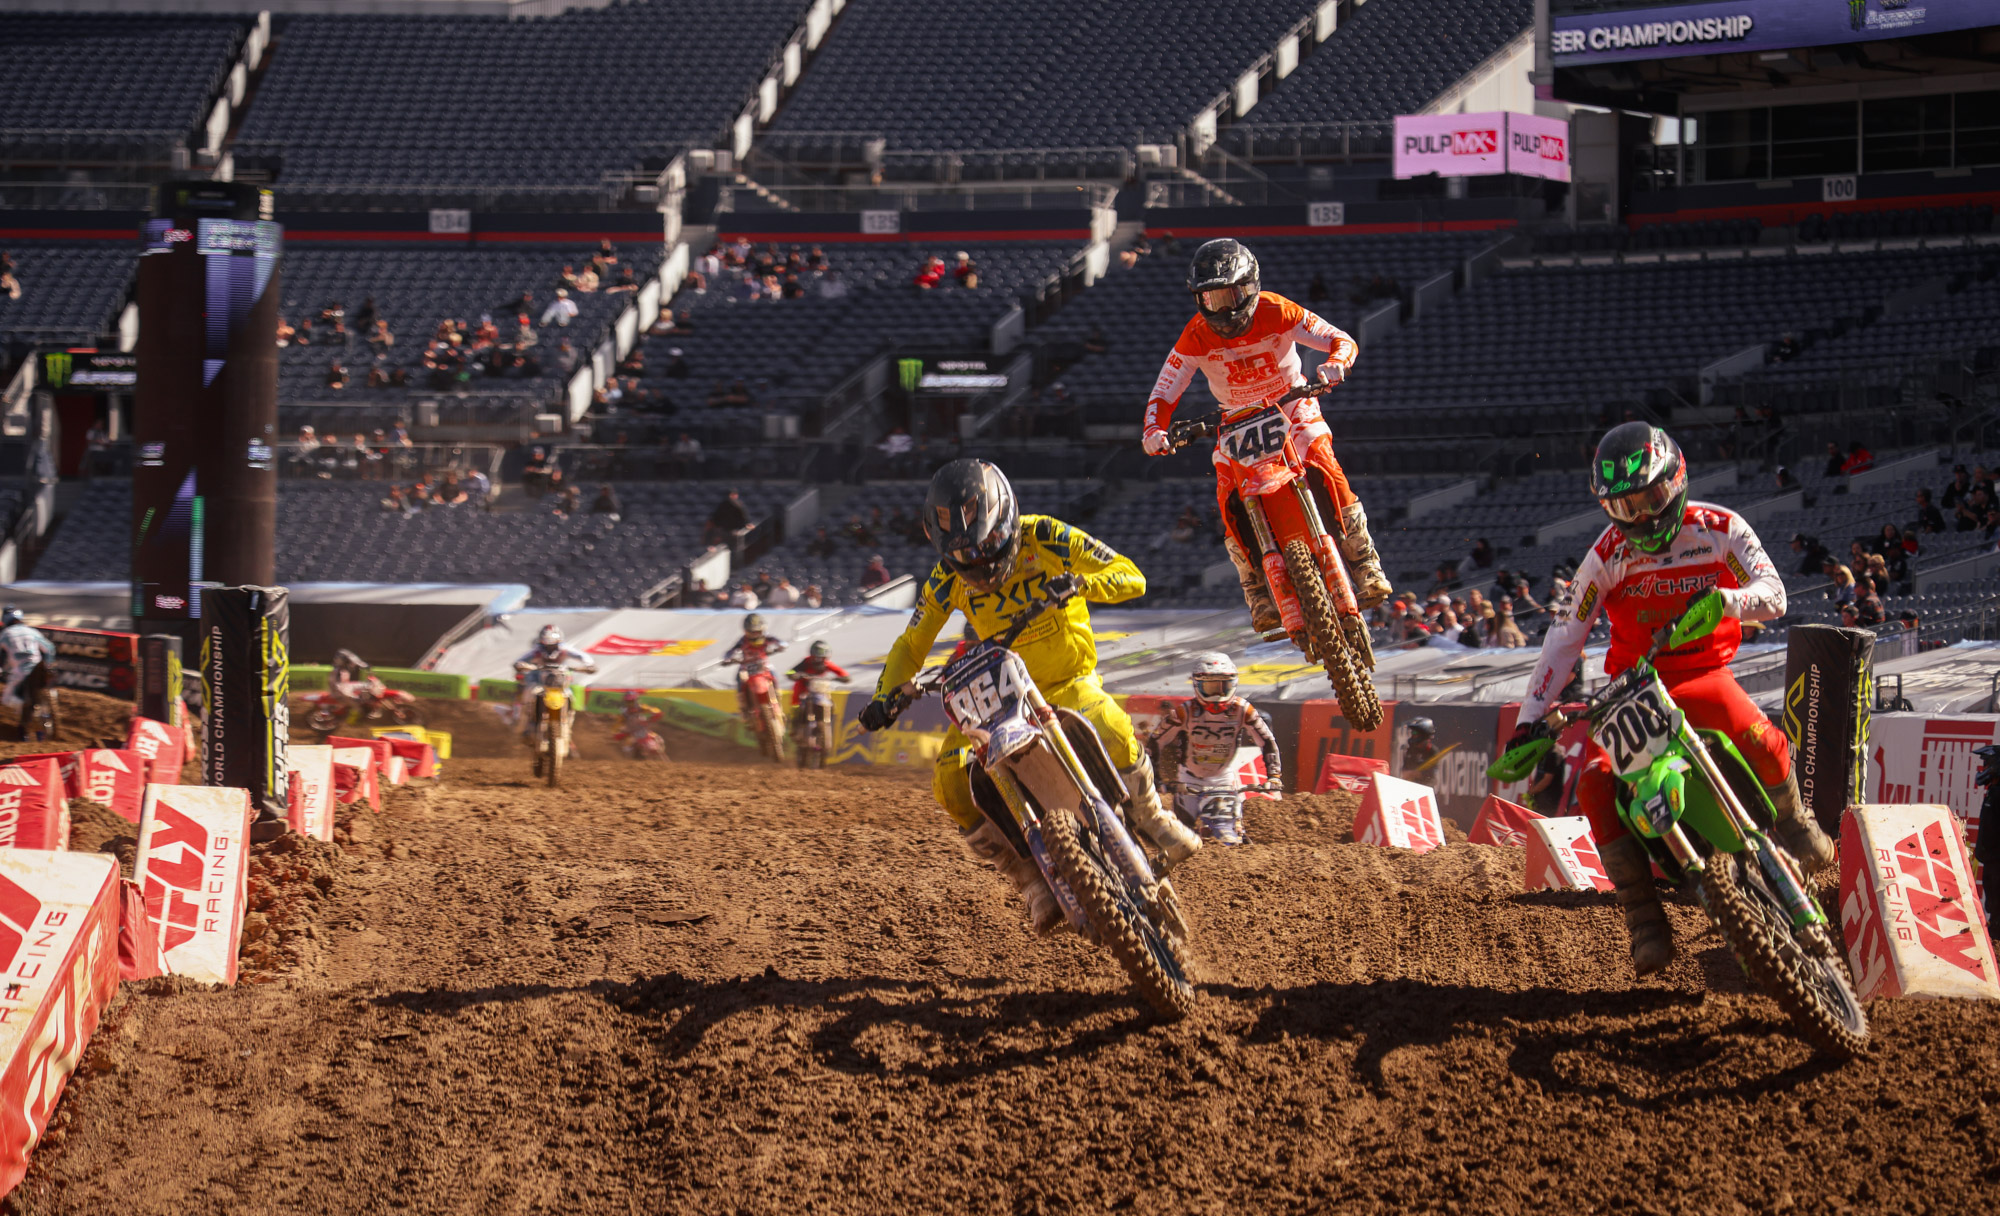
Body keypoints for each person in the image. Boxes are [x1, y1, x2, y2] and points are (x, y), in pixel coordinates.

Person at [1508, 422, 1834, 978]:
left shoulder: (1720, 528)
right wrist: (1529, 723)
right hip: (1633, 690)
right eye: (1625, 506)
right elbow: (1564, 639)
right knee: (1591, 781)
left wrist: (1725, 603)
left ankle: (1794, 821)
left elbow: (1775, 597)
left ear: (1676, 481)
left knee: (1762, 738)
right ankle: (1642, 914)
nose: (1640, 517)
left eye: (1650, 498)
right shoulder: (1606, 554)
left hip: (1703, 673)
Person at [857, 460, 1197, 934]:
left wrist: (1082, 582)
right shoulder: (943, 579)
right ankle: (1029, 879)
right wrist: (884, 697)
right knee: (951, 785)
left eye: (989, 548)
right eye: (965, 560)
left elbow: (1131, 576)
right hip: (997, 695)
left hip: (1068, 680)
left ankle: (1153, 816)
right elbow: (911, 643)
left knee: (1114, 729)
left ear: (1008, 521)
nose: (980, 566)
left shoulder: (1047, 537)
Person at [1141, 239, 1389, 632]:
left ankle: (1363, 561)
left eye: (1230, 295)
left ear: (1251, 287)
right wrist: (1154, 428)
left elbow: (1341, 339)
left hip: (1289, 401)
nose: (1221, 308)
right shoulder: (1196, 335)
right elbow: (1164, 391)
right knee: (1227, 496)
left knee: (1324, 460)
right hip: (1234, 417)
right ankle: (1255, 587)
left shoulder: (1277, 310)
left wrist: (1335, 364)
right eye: (1211, 299)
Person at [1145, 653, 1282, 844]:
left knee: (1226, 835)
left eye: (1222, 686)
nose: (1217, 693)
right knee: (1180, 838)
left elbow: (1267, 740)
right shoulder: (1186, 711)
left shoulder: (1243, 709)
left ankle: (1237, 839)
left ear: (1232, 684)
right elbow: (1155, 742)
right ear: (1197, 685)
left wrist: (1274, 775)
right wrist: (1155, 779)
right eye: (1210, 687)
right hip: (1188, 779)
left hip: (1222, 780)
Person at [512, 625, 598, 742]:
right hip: (541, 682)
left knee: (570, 698)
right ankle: (527, 726)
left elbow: (582, 656)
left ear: (559, 640)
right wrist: (521, 665)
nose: (550, 646)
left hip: (560, 682)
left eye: (552, 643)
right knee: (530, 694)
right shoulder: (537, 651)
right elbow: (521, 660)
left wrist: (589, 665)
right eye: (547, 642)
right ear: (542, 641)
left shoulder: (564, 649)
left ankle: (567, 729)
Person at [0, 608, 53, 741]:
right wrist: (48, 664)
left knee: (14, 699)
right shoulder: (31, 631)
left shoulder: (5, 634)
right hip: (40, 667)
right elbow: (49, 648)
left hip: (21, 671)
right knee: (36, 694)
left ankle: (23, 731)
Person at [722, 613, 786, 720]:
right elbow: (730, 651)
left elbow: (781, 642)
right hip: (746, 667)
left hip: (763, 665)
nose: (755, 634)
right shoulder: (743, 641)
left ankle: (778, 704)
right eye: (752, 631)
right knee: (739, 679)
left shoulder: (767, 637)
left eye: (758, 631)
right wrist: (728, 659)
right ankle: (744, 707)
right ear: (746, 631)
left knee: (774, 675)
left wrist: (780, 647)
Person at [786, 640, 851, 732]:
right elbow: (791, 671)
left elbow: (843, 673)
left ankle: (824, 722)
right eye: (817, 655)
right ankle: (793, 723)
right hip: (804, 686)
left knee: (831, 703)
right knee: (797, 700)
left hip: (819, 688)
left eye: (823, 656)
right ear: (812, 654)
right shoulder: (806, 661)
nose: (819, 659)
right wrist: (795, 675)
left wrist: (842, 678)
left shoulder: (827, 664)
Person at [1399, 718, 1439, 784]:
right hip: (1410, 787)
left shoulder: (1432, 751)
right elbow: (1405, 771)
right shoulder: (1410, 750)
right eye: (1412, 733)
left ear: (1424, 734)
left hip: (1425, 789)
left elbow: (1431, 775)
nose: (1412, 735)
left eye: (1414, 733)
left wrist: (1415, 773)